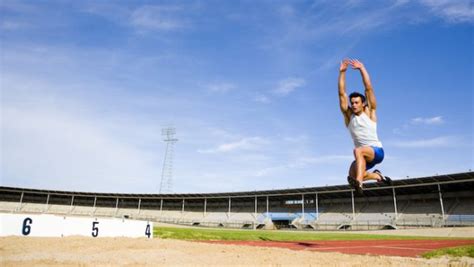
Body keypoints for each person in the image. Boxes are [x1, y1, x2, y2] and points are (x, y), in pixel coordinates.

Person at [338, 59, 391, 193]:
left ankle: (360, 184)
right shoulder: (348, 117)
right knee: (351, 176)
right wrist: (342, 73)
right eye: (352, 103)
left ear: (363, 103)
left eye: (357, 102)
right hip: (364, 158)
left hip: (376, 152)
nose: (354, 105)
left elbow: (368, 88)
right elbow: (341, 93)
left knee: (357, 151)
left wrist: (362, 68)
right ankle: (377, 176)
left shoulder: (370, 112)